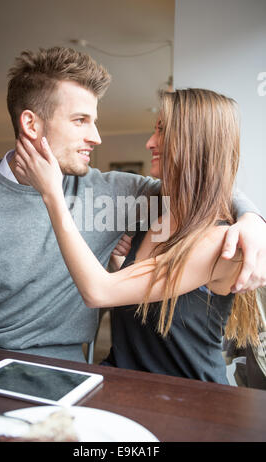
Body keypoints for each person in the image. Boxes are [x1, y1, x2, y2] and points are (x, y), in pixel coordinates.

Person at [0, 47, 265, 364]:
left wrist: (252, 219)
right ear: (31, 123)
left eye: (94, 121)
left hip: (70, 366)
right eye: (80, 120)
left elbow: (200, 182)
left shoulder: (115, 194)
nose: (96, 137)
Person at [15, 88, 266, 383]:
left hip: (190, 403)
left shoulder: (217, 242)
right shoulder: (155, 212)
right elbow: (141, 307)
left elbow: (99, 292)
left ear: (193, 143)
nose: (150, 143)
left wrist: (52, 196)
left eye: (161, 131)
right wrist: (121, 264)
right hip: (126, 384)